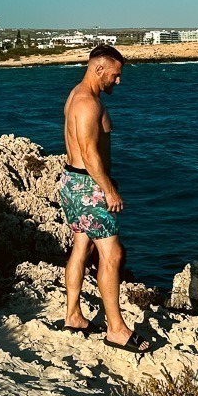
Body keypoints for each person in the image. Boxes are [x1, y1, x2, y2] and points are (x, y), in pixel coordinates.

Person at [58, 44, 150, 353]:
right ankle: (117, 330)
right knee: (113, 255)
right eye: (116, 75)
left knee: (81, 245)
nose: (118, 81)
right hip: (88, 187)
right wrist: (108, 189)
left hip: (72, 180)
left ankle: (73, 316)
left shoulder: (75, 96)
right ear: (99, 69)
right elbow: (89, 152)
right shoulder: (88, 104)